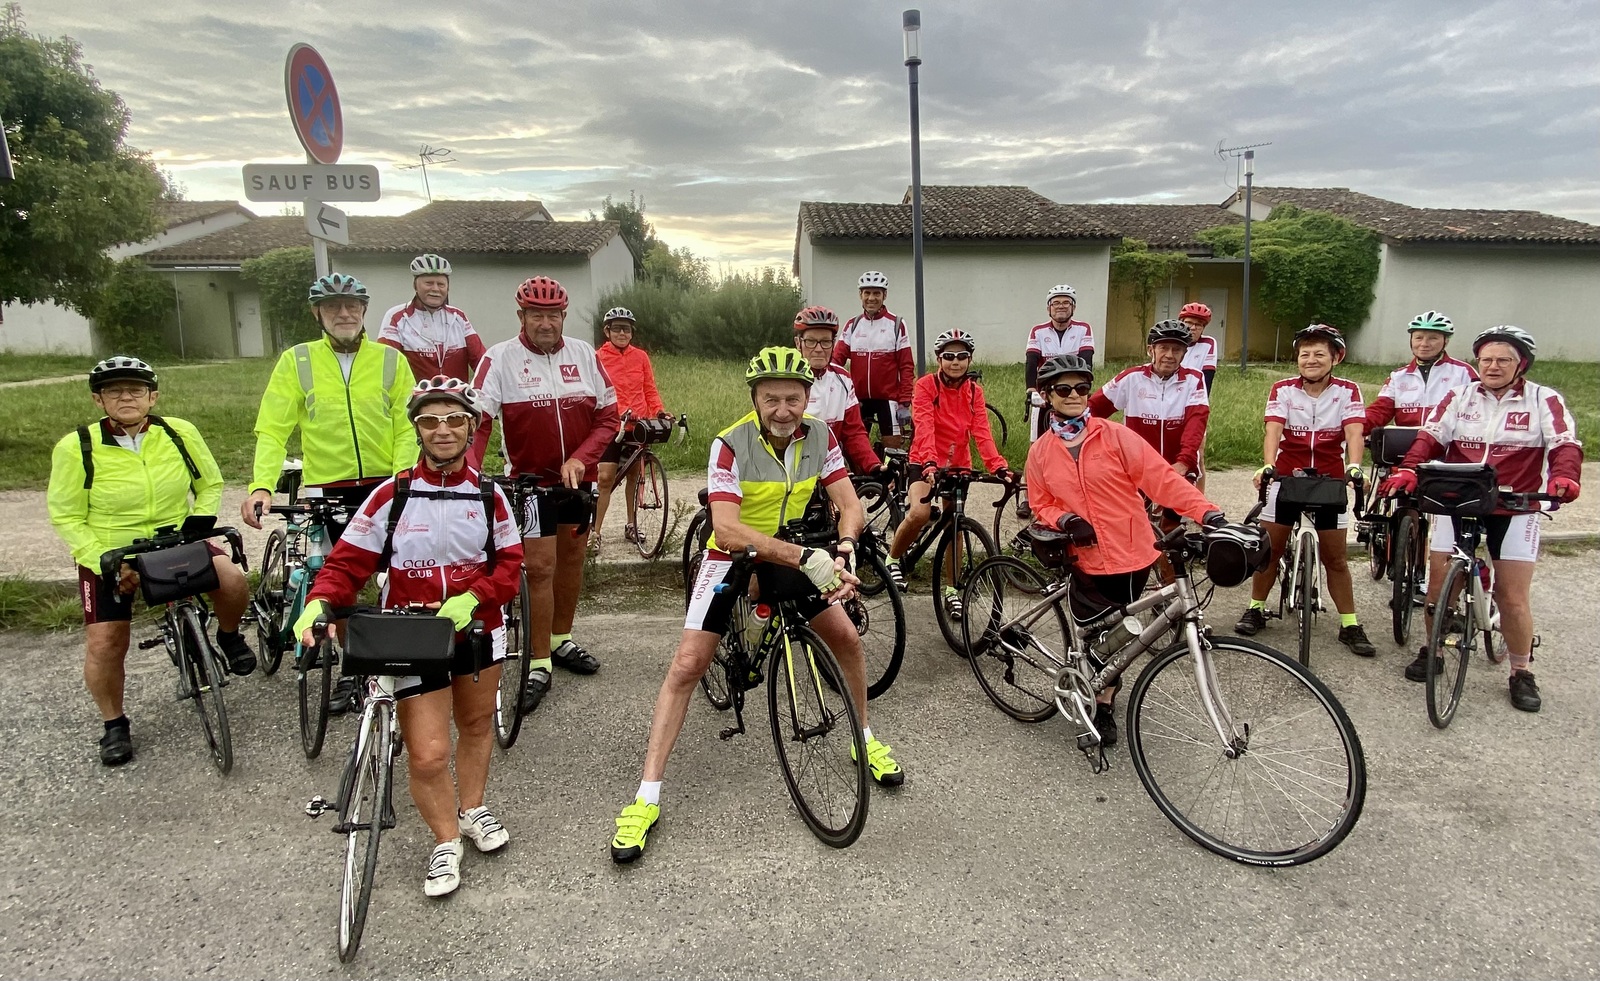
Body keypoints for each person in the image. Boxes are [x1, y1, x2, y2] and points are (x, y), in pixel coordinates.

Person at [608, 347, 904, 864]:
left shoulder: (822, 436)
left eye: (793, 398)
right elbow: (724, 526)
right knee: (687, 665)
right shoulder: (730, 443)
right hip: (733, 556)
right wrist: (804, 557)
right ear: (755, 400)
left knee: (847, 640)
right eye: (772, 399)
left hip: (793, 551)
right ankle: (646, 796)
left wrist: (846, 545)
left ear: (808, 398)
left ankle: (863, 736)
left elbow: (849, 503)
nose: (784, 409)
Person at [293, 376, 524, 896]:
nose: (442, 430)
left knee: (477, 724)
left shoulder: (491, 496)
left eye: (454, 420)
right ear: (417, 429)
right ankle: (446, 843)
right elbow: (346, 563)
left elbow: (511, 565)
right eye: (430, 420)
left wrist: (476, 597)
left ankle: (473, 808)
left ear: (471, 428)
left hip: (478, 629)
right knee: (426, 754)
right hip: (413, 636)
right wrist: (317, 603)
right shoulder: (391, 494)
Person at [48, 357, 254, 766]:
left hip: (175, 539)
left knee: (232, 580)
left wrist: (200, 519)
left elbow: (210, 482)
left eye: (136, 390)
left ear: (152, 396)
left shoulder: (178, 432)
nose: (126, 397)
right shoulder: (77, 446)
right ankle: (114, 724)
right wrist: (104, 561)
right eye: (113, 391)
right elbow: (66, 515)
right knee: (106, 642)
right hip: (111, 551)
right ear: (97, 399)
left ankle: (228, 636)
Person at [1024, 354, 1230, 746]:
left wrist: (1208, 514)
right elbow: (1041, 503)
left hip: (1133, 552)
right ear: (1048, 396)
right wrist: (1065, 520)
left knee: (1123, 637)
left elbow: (1162, 480)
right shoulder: (1041, 452)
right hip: (1084, 557)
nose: (1074, 396)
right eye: (1063, 389)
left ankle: (1104, 692)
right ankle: (1100, 705)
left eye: (1082, 388)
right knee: (1097, 638)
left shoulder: (1114, 436)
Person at [242, 272, 418, 713]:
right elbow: (273, 428)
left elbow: (406, 425)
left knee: (393, 571)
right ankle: (348, 671)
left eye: (353, 306)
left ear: (364, 312)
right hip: (327, 486)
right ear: (318, 313)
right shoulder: (297, 361)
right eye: (333, 306)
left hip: (383, 483)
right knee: (337, 580)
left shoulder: (391, 360)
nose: (344, 313)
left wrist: (401, 478)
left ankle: (391, 655)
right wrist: (261, 483)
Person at [1383, 326, 1582, 711]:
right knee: (1439, 588)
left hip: (1517, 505)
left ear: (1520, 364)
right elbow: (1430, 436)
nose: (1492, 366)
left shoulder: (1544, 399)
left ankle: (1521, 672)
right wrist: (1409, 470)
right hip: (1457, 500)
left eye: (1502, 360)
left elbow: (1564, 443)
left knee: (1512, 597)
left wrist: (1564, 476)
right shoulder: (1459, 396)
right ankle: (1433, 650)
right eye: (1486, 359)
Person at [471, 275, 619, 714]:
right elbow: (478, 424)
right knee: (539, 568)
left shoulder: (585, 355)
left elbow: (609, 418)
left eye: (552, 314)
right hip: (529, 485)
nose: (545, 322)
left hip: (578, 483)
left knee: (572, 562)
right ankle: (538, 662)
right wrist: (469, 478)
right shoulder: (499, 359)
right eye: (536, 314)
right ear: (522, 317)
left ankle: (560, 640)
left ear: (563, 316)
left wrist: (581, 458)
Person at [1234, 325, 1376, 656]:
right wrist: (1267, 464)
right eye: (1304, 354)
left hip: (1329, 481)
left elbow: (1355, 433)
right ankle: (1256, 607)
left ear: (1336, 358)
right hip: (1286, 477)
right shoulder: (1283, 389)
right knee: (1269, 548)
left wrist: (1355, 466)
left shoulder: (1348, 391)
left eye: (1319, 354)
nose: (1310, 360)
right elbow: (1273, 430)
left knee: (1336, 559)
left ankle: (1350, 624)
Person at [885, 329, 1015, 614]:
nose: (955, 362)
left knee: (953, 525)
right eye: (949, 356)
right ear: (938, 358)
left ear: (969, 359)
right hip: (924, 458)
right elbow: (924, 425)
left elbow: (982, 433)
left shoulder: (973, 392)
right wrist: (930, 461)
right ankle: (893, 559)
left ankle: (951, 589)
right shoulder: (926, 386)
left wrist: (998, 466)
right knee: (919, 513)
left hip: (959, 463)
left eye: (962, 356)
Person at [1088, 320, 1210, 479]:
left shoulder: (1194, 379)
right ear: (1151, 350)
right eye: (1163, 348)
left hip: (1177, 466)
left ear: (1184, 353)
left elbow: (1196, 422)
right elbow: (1093, 409)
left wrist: (1184, 462)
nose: (1169, 355)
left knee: (1183, 503)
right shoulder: (1131, 378)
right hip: (1137, 466)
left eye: (1177, 350)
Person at [593, 306, 671, 551]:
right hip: (611, 426)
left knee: (634, 478)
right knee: (605, 479)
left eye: (626, 329)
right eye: (616, 328)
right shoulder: (598, 357)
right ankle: (594, 532)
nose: (622, 333)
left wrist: (659, 411)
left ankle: (631, 524)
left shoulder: (641, 357)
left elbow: (649, 389)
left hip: (638, 426)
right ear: (607, 331)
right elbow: (595, 392)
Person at [1020, 284, 1095, 518]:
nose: (1060, 307)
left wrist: (1081, 391)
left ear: (1073, 307)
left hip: (1071, 395)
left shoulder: (1083, 329)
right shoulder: (1039, 331)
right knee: (1036, 447)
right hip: (1046, 395)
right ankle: (1026, 496)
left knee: (1078, 446)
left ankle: (1073, 496)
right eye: (1056, 303)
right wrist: (1032, 390)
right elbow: (1032, 362)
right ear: (1048, 308)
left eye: (1065, 302)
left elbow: (1086, 361)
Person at [794, 304, 880, 474]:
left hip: (830, 467)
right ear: (798, 343)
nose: (819, 349)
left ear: (833, 344)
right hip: (793, 467)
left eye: (825, 342)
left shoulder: (843, 379)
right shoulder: (786, 379)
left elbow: (854, 433)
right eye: (811, 341)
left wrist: (874, 466)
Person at [833, 270, 914, 447]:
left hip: (888, 399)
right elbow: (835, 361)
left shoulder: (897, 324)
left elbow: (906, 366)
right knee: (854, 447)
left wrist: (904, 402)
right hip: (858, 399)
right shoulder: (852, 325)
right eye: (867, 293)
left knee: (893, 449)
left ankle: (890, 474)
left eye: (876, 293)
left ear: (884, 295)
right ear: (860, 295)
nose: (871, 298)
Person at [377, 253, 486, 383]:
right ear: (415, 286)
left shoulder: (458, 317)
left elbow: (482, 363)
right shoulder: (396, 317)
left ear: (448, 287)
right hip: (416, 400)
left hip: (455, 400)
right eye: (428, 283)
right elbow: (387, 367)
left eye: (441, 284)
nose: (435, 289)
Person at [1364, 311, 1478, 430]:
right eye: (1418, 338)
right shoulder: (1398, 376)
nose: (1424, 344)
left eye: (1433, 338)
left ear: (1446, 341)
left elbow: (1479, 412)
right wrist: (1355, 426)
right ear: (1411, 340)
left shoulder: (1464, 372)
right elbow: (1380, 411)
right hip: (1407, 442)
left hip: (1447, 443)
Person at [1177, 302, 1219, 393]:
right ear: (1181, 323)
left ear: (1203, 328)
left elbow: (1207, 379)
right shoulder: (1173, 343)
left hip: (1194, 393)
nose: (1193, 328)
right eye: (1189, 323)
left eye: (1198, 325)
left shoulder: (1209, 343)